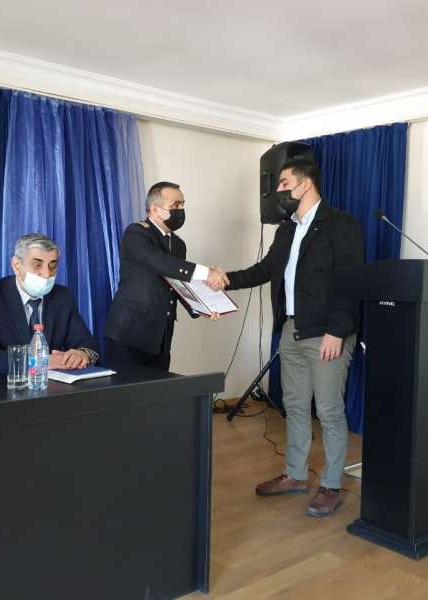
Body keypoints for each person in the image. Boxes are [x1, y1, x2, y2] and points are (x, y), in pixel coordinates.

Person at [211, 157, 364, 518]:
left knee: (328, 410)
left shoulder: (341, 225)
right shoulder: (286, 230)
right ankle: (296, 475)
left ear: (304, 184)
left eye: (282, 183)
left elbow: (350, 282)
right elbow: (264, 270)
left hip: (326, 334)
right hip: (291, 331)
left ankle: (331, 486)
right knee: (294, 406)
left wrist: (336, 331)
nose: (277, 190)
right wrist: (225, 279)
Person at [103, 181, 224, 371]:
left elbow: (177, 283)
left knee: (160, 388)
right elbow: (160, 263)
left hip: (161, 336)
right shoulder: (136, 232)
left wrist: (201, 307)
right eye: (175, 205)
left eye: (182, 204)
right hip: (129, 333)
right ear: (155, 209)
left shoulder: (178, 244)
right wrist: (206, 272)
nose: (181, 210)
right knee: (126, 389)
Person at [0, 233, 98, 373]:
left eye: (52, 266)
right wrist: (40, 362)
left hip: (53, 384)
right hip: (7, 384)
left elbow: (87, 342)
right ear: (17, 266)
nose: (47, 274)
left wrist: (82, 353)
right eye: (37, 265)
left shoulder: (62, 296)